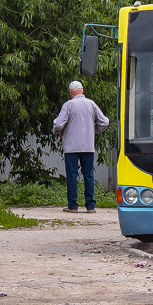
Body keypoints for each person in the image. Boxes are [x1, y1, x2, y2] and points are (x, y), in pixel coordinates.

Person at [52, 80, 109, 213]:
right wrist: (94, 130)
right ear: (82, 90)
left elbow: (59, 124)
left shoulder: (69, 105)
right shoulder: (91, 104)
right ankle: (90, 206)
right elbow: (104, 122)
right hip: (88, 146)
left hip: (72, 147)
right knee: (88, 175)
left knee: (72, 175)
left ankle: (73, 205)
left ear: (71, 91)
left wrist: (59, 129)